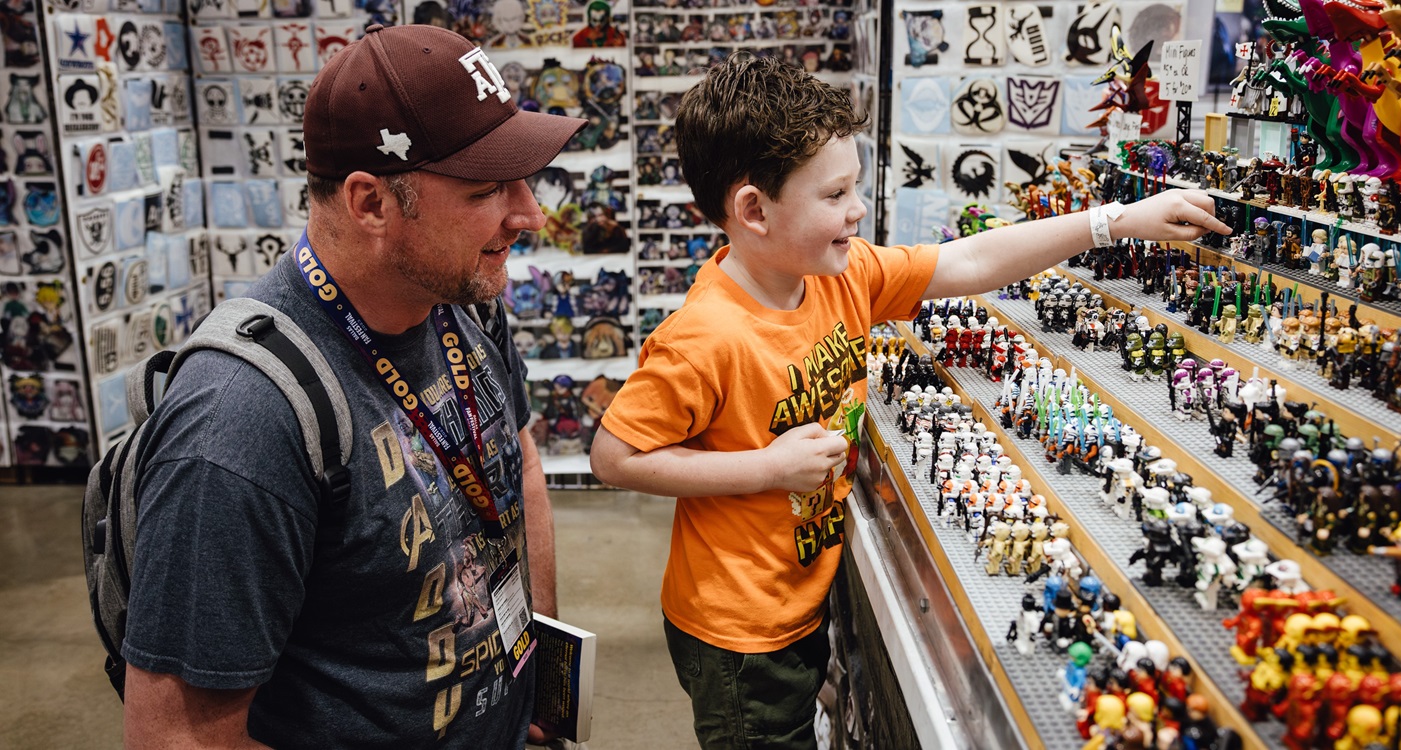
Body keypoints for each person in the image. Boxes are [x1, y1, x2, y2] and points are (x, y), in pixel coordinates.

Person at [589, 55, 1229, 749]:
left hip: (798, 598)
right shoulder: (702, 337)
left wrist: (1114, 221)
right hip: (738, 634)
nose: (857, 209)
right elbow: (616, 457)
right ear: (754, 210)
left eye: (854, 187)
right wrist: (765, 469)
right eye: (835, 194)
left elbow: (969, 263)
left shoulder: (842, 274)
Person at [120, 25, 585, 749]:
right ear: (370, 203)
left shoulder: (464, 305)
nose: (528, 214)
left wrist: (539, 677)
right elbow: (176, 735)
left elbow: (518, 462)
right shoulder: (243, 419)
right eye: (488, 188)